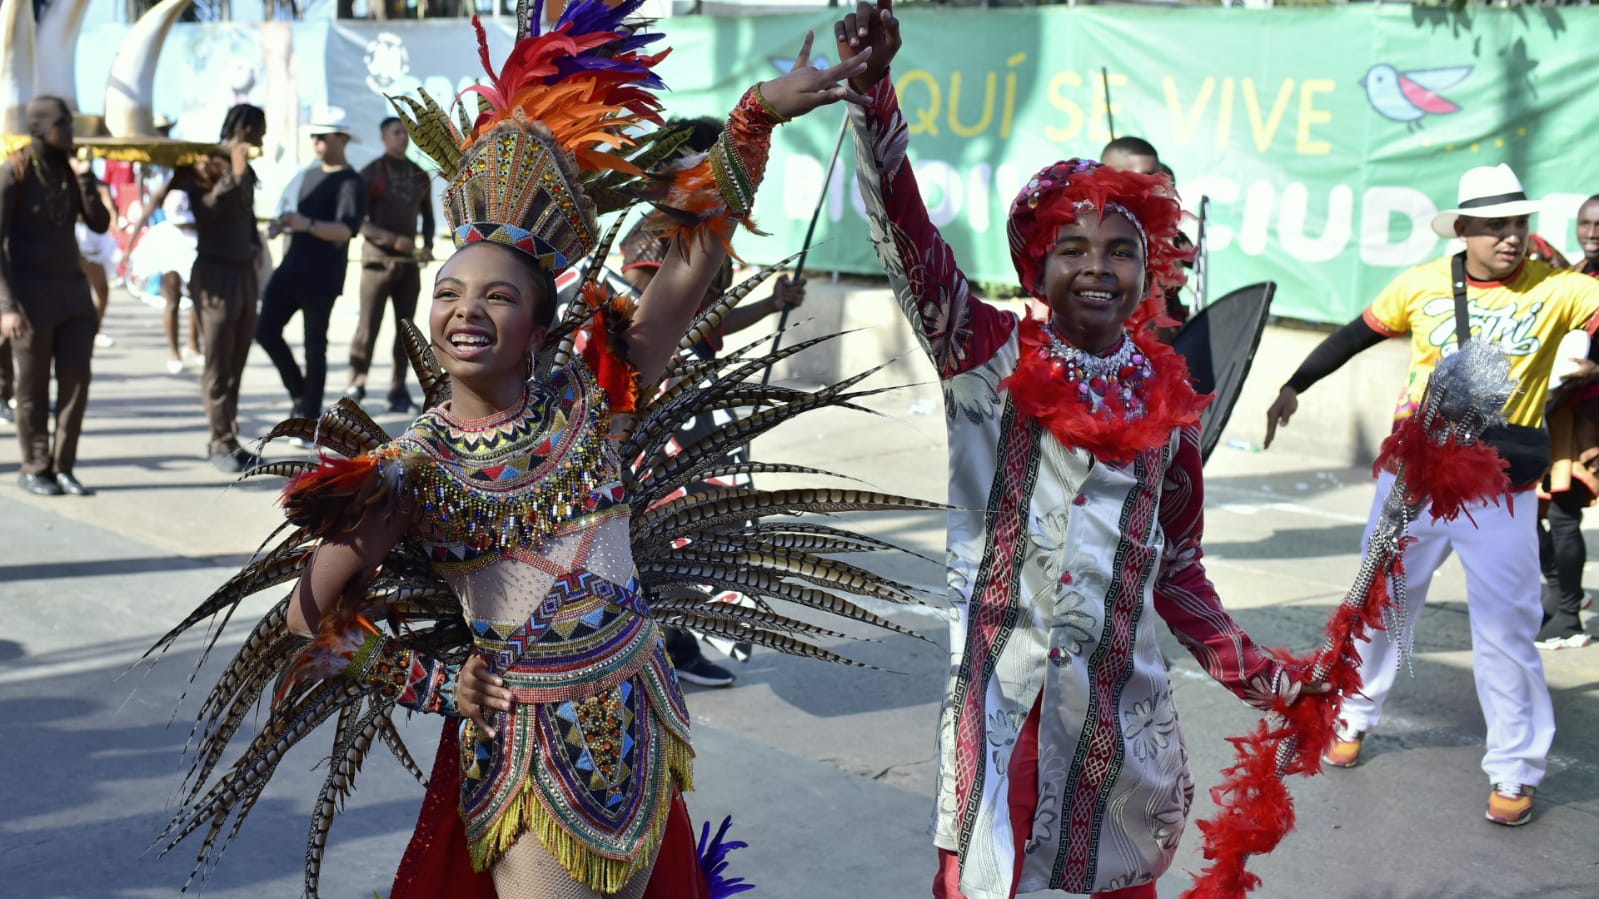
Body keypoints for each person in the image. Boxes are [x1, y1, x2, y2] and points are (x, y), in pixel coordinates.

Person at [156, 12, 881, 898]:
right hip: (529, 747)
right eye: (450, 291)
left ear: (537, 326)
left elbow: (689, 261)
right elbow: (311, 611)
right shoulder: (409, 466)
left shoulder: (591, 394)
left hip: (641, 711)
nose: (467, 309)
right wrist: (427, 683)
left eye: (497, 295)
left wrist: (753, 117)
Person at [824, 5, 1320, 897]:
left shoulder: (1173, 406)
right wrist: (872, 97)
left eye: (1121, 251)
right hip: (1000, 708)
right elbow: (906, 238)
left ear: (1149, 269)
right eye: (1072, 248)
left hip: (1123, 727)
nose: (1097, 266)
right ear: (1031, 267)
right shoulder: (983, 354)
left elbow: (1179, 575)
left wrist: (1272, 678)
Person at [1264, 163, 1599, 826]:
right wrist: (1293, 385)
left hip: (1499, 487)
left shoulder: (1559, 288)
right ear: (1465, 229)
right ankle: (1353, 716)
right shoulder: (1419, 285)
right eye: (1496, 225)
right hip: (1412, 479)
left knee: (1505, 630)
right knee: (1381, 602)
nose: (1511, 237)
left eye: (1519, 224)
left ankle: (1513, 770)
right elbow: (1353, 336)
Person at [617, 117, 808, 689]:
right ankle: (662, 643)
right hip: (656, 399)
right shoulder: (657, 229)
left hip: (693, 394)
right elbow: (658, 313)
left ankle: (673, 638)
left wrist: (770, 304)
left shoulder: (707, 232)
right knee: (666, 515)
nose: (720, 175)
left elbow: (705, 328)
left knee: (690, 516)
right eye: (708, 161)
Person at [135, 104, 269, 473]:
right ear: (243, 128)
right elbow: (207, 210)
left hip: (243, 273)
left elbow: (246, 215)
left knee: (238, 360)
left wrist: (255, 245)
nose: (263, 138)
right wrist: (236, 172)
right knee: (218, 362)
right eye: (259, 130)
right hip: (215, 275)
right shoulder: (204, 164)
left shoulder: (247, 168)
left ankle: (231, 435)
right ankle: (219, 440)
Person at [0, 96, 112, 496]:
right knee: (31, 389)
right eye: (63, 125)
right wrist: (7, 307)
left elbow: (99, 224)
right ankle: (35, 466)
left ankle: (64, 466)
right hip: (30, 297)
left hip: (73, 294)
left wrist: (86, 177)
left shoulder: (70, 168)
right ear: (41, 128)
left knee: (76, 382)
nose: (71, 132)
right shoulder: (13, 172)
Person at [255, 115, 364, 421]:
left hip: (322, 278)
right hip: (291, 269)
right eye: (314, 136)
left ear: (341, 139)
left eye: (323, 136)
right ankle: (300, 394)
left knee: (314, 347)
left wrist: (308, 225)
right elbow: (295, 215)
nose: (316, 142)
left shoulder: (351, 182)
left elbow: (345, 230)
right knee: (264, 330)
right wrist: (285, 225)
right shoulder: (308, 175)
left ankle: (309, 415)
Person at [1534, 193, 1599, 649]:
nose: (1592, 232)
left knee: (1562, 513)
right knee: (1526, 511)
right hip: (1555, 411)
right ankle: (1561, 597)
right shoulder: (1573, 276)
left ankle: (1569, 615)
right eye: (1584, 223)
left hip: (1590, 417)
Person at [347, 115, 434, 413]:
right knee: (367, 327)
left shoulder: (420, 175)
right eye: (396, 133)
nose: (402, 137)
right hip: (376, 264)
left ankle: (398, 390)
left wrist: (428, 246)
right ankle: (356, 384)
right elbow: (357, 221)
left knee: (405, 329)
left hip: (409, 267)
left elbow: (429, 220)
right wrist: (392, 240)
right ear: (384, 137)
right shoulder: (370, 174)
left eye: (405, 133)